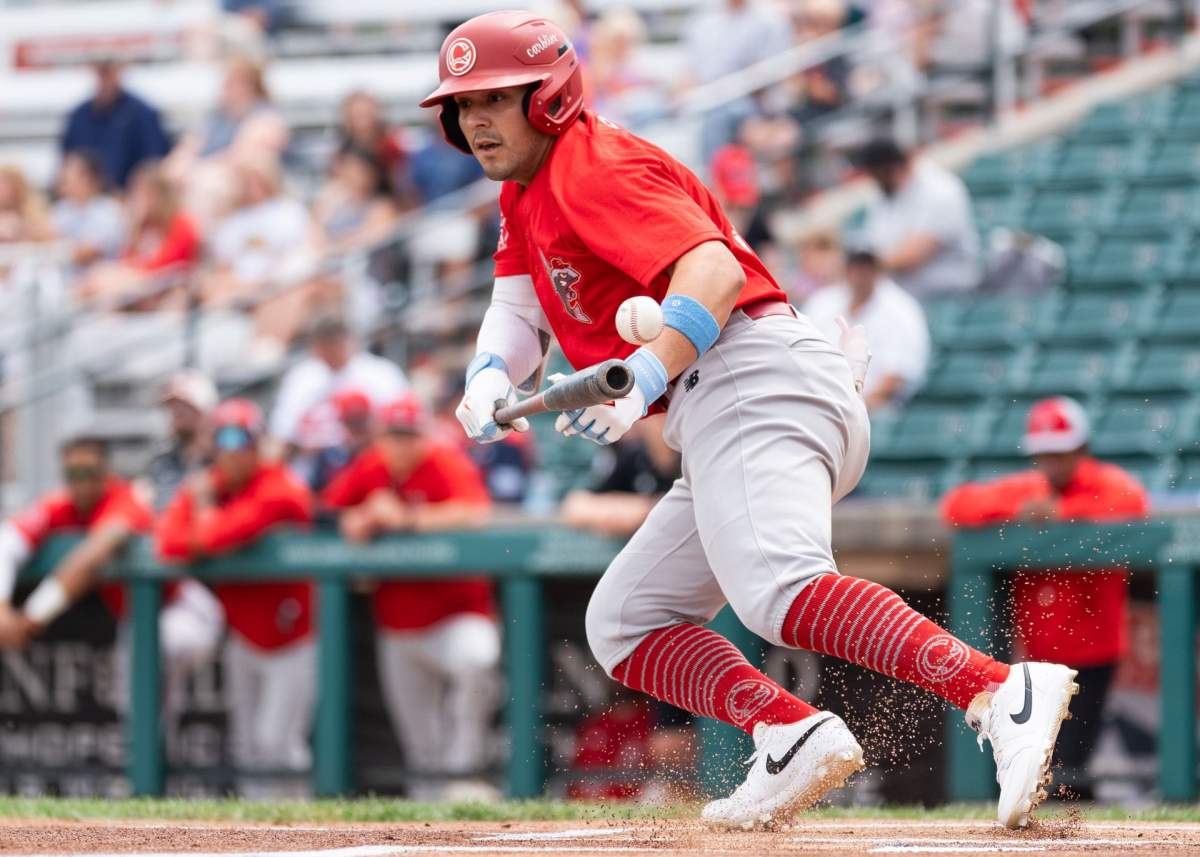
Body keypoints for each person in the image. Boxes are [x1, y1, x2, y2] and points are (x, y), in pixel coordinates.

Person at [422, 11, 1077, 830]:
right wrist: (488, 374)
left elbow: (714, 270)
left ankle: (997, 689)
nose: (473, 119)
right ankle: (789, 731)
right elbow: (518, 306)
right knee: (625, 620)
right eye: (461, 105)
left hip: (747, 374)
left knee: (778, 592)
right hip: (735, 393)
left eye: (494, 98)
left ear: (547, 96)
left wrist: (649, 371)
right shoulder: (529, 190)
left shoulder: (591, 168)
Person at [941, 397, 1150, 799]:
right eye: (1045, 454)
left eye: (1062, 453)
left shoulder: (1105, 484)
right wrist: (1021, 509)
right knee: (1040, 759)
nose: (1053, 462)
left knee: (1072, 764)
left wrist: (1062, 511)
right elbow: (956, 505)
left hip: (1095, 654)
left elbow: (1132, 504)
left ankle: (1074, 828)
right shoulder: (1028, 489)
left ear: (1080, 450)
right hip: (1038, 658)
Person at [322, 393, 498, 798]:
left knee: (477, 661)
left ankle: (465, 775)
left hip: (458, 614)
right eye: (393, 436)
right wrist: (361, 515)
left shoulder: (444, 462)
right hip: (398, 623)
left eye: (408, 436)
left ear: (423, 436)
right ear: (381, 438)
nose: (401, 445)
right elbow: (325, 510)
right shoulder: (372, 466)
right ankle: (428, 811)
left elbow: (477, 513)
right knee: (417, 735)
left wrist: (408, 518)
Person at [0, 437, 223, 734]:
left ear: (106, 473)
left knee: (156, 662)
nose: (81, 483)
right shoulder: (61, 505)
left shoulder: (124, 499)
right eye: (73, 474)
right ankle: (149, 774)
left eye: (89, 473)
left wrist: (32, 617)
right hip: (139, 620)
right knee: (137, 712)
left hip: (183, 609)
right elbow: (7, 541)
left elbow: (91, 559)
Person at [156, 399, 316, 796]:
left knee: (278, 744)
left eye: (239, 438)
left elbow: (210, 537)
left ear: (256, 443)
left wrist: (205, 506)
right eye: (222, 439)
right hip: (244, 633)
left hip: (293, 636)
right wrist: (202, 512)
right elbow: (166, 541)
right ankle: (255, 838)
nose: (230, 451)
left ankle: (305, 834)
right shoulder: (215, 482)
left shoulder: (281, 487)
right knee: (247, 745)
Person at [803, 245, 929, 411]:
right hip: (826, 402)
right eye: (855, 266)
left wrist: (855, 407)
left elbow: (896, 376)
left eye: (866, 266)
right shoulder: (823, 303)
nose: (860, 273)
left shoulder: (902, 309)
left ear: (877, 269)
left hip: (879, 408)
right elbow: (805, 358)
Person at [269, 314, 408, 457]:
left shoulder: (381, 373)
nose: (330, 350)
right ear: (314, 346)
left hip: (370, 454)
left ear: (351, 341)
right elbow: (281, 434)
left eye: (335, 343)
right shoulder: (301, 377)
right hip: (314, 460)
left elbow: (403, 426)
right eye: (324, 344)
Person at [858, 138, 980, 298]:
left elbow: (912, 256)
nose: (879, 179)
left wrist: (861, 267)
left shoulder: (940, 189)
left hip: (948, 290)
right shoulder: (883, 193)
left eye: (883, 172)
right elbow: (874, 243)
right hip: (901, 287)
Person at [79, 163, 201, 309]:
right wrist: (134, 227)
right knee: (99, 276)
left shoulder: (181, 223)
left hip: (168, 282)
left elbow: (169, 263)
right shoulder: (145, 225)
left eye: (144, 194)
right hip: (142, 279)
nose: (139, 200)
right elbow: (126, 257)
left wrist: (133, 270)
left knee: (105, 279)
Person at [60, 59, 171, 190]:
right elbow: (67, 160)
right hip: (86, 197)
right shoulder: (80, 116)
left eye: (109, 70)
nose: (105, 77)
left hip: (131, 196)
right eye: (101, 71)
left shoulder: (141, 113)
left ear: (120, 69)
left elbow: (153, 162)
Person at [560, 417, 680, 537]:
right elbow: (576, 504)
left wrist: (648, 509)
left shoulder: (691, 457)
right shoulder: (635, 455)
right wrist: (622, 509)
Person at [145, 369, 219, 511]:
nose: (176, 412)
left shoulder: (221, 457)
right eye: (172, 406)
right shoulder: (162, 459)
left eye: (184, 405)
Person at [51, 151, 126, 269]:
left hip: (102, 280)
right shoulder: (62, 208)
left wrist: (55, 246)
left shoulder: (109, 210)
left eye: (70, 174)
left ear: (87, 178)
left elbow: (85, 254)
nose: (63, 179)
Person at [0, 165, 53, 245]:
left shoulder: (32, 211)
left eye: (6, 184)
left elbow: (49, 236)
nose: (3, 189)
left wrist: (21, 230)